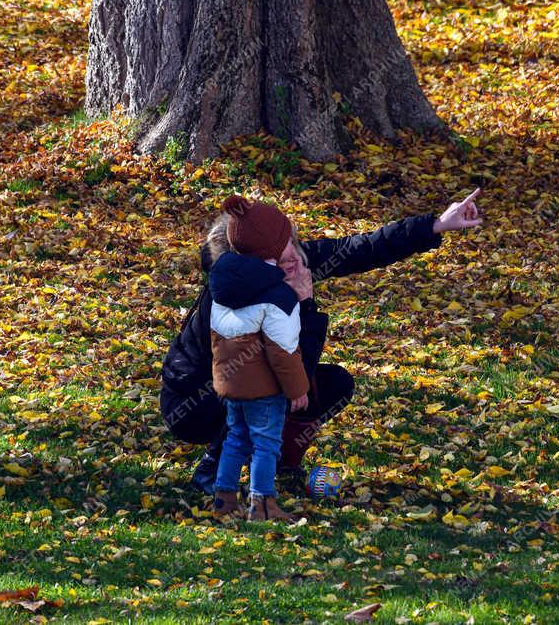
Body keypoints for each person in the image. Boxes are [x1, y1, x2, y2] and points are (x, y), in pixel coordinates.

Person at [160, 188, 483, 496]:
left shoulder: (287, 255)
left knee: (334, 384)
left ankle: (279, 461)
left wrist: (437, 224)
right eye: (283, 259)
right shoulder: (238, 297)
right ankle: (211, 475)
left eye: (292, 247)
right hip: (193, 406)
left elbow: (361, 248)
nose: (295, 261)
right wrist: (303, 304)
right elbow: (293, 371)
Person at [208, 194, 310, 521]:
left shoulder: (224, 282)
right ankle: (262, 504)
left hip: (231, 383)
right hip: (263, 390)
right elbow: (283, 350)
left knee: (236, 439)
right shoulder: (277, 293)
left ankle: (223, 499)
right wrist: (297, 390)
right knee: (266, 445)